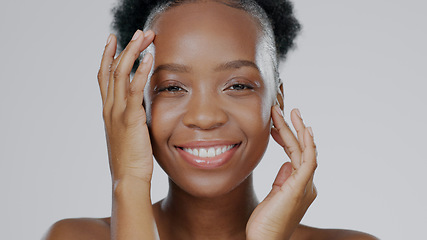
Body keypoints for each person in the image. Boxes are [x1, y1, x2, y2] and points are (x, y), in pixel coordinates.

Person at [43, 0, 378, 239]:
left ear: (277, 98)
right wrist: (128, 183)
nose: (205, 117)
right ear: (136, 104)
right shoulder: (74, 236)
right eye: (172, 87)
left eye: (237, 85)